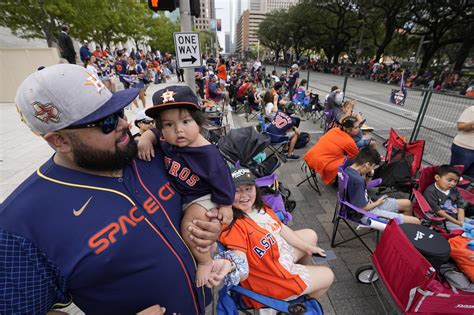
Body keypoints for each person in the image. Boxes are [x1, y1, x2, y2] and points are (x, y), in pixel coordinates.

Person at [1, 64, 235, 314]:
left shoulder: (153, 154)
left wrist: (209, 234)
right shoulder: (19, 225)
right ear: (60, 140)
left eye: (119, 111)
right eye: (107, 121)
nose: (124, 124)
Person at [137, 85, 235, 287]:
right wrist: (146, 137)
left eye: (185, 121)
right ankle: (209, 251)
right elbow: (155, 132)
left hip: (204, 196)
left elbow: (224, 179)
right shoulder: (168, 141)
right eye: (169, 125)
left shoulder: (207, 153)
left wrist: (226, 205)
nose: (178, 130)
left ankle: (205, 262)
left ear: (198, 122)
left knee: (190, 226)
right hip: (187, 197)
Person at [219, 168, 334, 308]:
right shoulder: (232, 224)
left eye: (248, 188)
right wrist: (230, 266)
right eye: (236, 191)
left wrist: (307, 248)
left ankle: (303, 280)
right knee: (328, 275)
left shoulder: (258, 207)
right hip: (270, 280)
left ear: (256, 189)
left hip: (275, 257)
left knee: (310, 235)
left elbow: (280, 227)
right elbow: (240, 263)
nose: (244, 195)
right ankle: (298, 306)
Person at [346, 147, 420, 224]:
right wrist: (378, 202)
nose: (372, 169)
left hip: (369, 204)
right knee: (416, 221)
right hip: (367, 214)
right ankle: (399, 228)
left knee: (408, 203)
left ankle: (400, 227)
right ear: (367, 165)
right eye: (373, 167)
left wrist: (370, 176)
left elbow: (363, 188)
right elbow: (362, 209)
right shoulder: (358, 181)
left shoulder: (348, 169)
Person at [304, 116, 360, 185]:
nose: (358, 129)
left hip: (311, 156)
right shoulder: (349, 141)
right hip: (323, 163)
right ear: (348, 129)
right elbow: (356, 156)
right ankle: (341, 181)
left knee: (345, 157)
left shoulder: (335, 129)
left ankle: (338, 179)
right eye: (356, 128)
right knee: (353, 161)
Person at [423, 165, 469, 231]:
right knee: (465, 233)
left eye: (456, 181)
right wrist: (458, 222)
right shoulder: (431, 192)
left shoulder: (454, 190)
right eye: (449, 180)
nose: (453, 184)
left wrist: (461, 221)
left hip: (457, 217)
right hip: (443, 221)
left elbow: (460, 206)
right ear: (437, 177)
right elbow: (438, 211)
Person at [450, 106, 474, 179]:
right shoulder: (472, 110)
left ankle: (459, 190)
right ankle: (442, 190)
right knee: (453, 176)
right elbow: (460, 126)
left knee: (468, 179)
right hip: (465, 148)